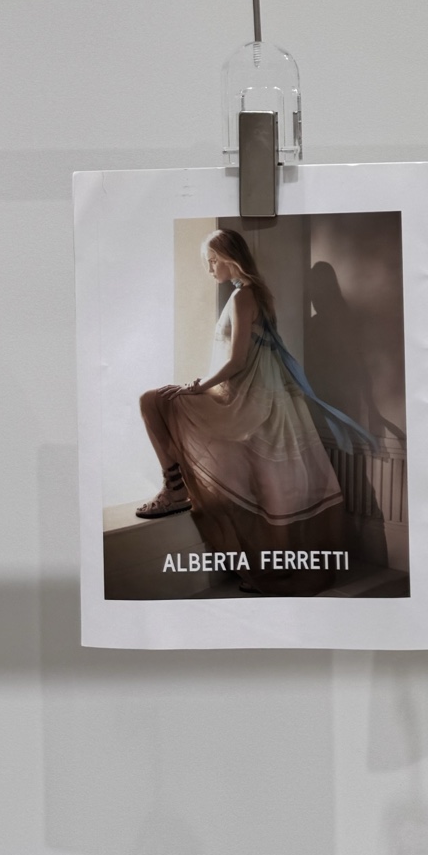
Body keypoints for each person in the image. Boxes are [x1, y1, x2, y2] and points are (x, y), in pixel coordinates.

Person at [136, 228, 367, 594]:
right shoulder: (256, 294)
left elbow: (237, 361)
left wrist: (198, 386)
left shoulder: (245, 296)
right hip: (259, 397)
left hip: (244, 400)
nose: (209, 269)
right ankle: (177, 488)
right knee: (264, 488)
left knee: (152, 400)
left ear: (230, 259)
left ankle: (174, 488)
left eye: (213, 261)